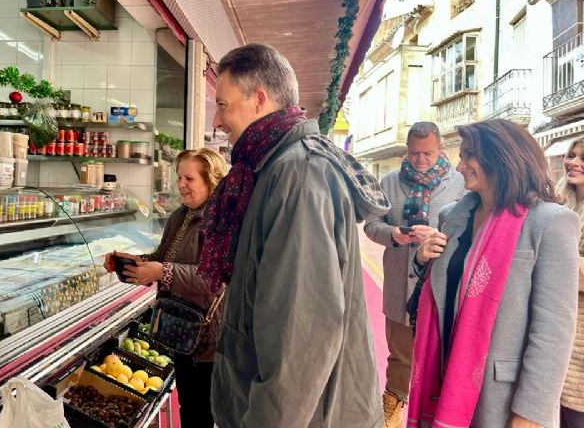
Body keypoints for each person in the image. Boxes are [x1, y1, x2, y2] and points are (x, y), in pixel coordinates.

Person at [198, 43, 391, 428]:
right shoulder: (268, 169)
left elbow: (301, 341)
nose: (217, 120)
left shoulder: (297, 178)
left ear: (259, 99)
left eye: (223, 104)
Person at [409, 119, 580, 428]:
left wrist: (530, 413)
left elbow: (554, 329)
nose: (460, 165)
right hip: (445, 369)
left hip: (502, 392)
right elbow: (447, 289)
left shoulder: (549, 222)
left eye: (469, 155)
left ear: (503, 156)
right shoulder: (454, 216)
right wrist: (423, 260)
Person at [104, 148, 228, 428]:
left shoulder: (220, 223)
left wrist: (162, 271)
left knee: (204, 413)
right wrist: (133, 265)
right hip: (181, 330)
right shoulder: (180, 217)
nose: (181, 185)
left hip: (209, 338)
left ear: (212, 181)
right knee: (189, 408)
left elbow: (214, 279)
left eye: (190, 178)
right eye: (179, 177)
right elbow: (163, 258)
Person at [364, 121, 465, 428]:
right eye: (414, 153)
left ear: (441, 149)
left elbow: (470, 230)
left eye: (428, 153)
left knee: (441, 354)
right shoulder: (390, 181)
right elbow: (371, 225)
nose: (420, 159)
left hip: (441, 284)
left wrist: (438, 234)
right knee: (399, 354)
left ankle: (437, 413)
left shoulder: (461, 182)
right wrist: (394, 233)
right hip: (398, 285)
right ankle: (392, 411)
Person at [557, 138, 584, 427]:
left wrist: (553, 260)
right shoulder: (560, 201)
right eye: (571, 155)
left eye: (583, 158)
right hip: (561, 320)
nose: (573, 162)